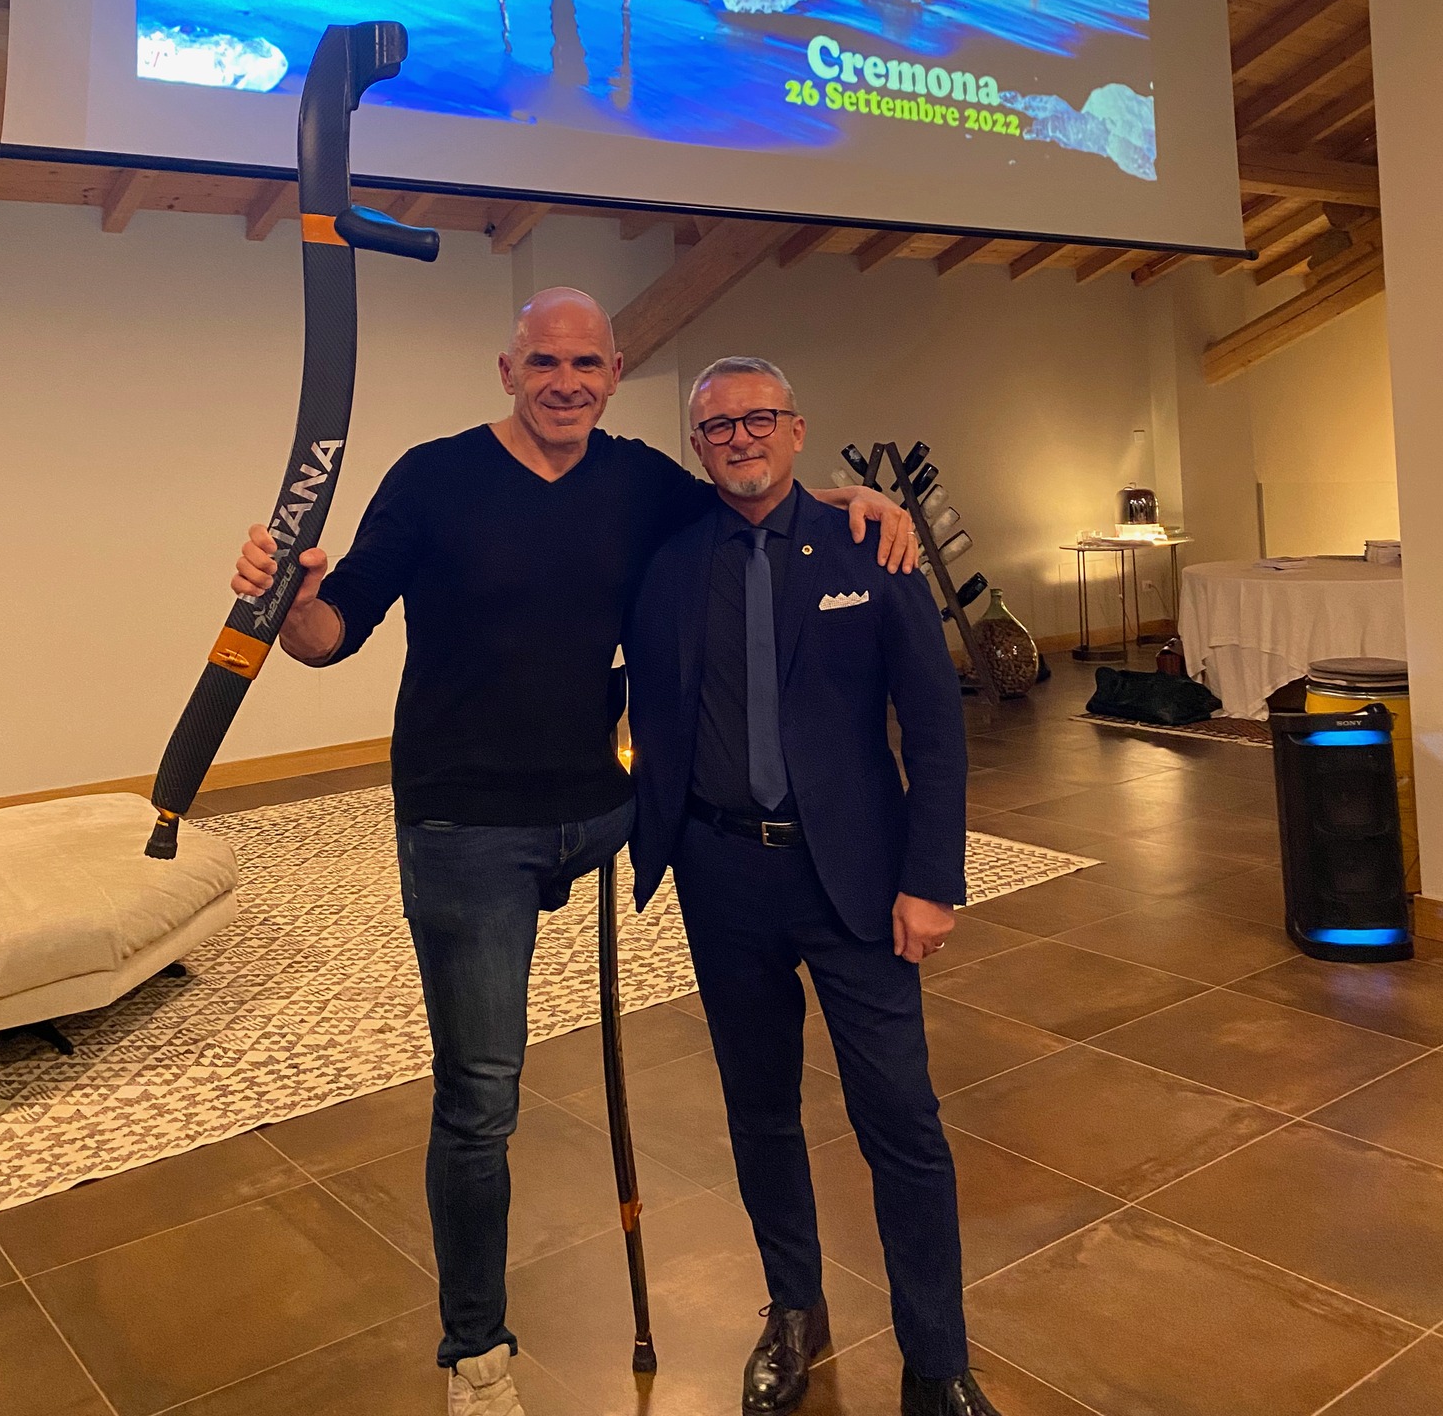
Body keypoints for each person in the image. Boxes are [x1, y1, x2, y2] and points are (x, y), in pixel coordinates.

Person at [229, 291, 916, 1416]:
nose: (565, 381)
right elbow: (330, 631)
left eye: (586, 363)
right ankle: (476, 1353)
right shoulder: (434, 477)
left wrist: (853, 498)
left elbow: (750, 496)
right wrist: (289, 602)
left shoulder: (636, 479)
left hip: (603, 806)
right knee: (481, 1096)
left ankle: (795, 1291)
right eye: (544, 362)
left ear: (613, 370)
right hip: (467, 825)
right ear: (508, 370)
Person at [626, 356, 1002, 1416]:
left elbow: (934, 725)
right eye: (717, 426)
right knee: (759, 1109)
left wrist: (931, 877)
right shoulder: (667, 558)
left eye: (759, 418)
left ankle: (937, 1361)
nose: (739, 438)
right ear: (697, 445)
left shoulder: (871, 545)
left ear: (796, 429)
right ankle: (794, 1310)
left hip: (858, 879)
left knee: (902, 1119)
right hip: (720, 873)